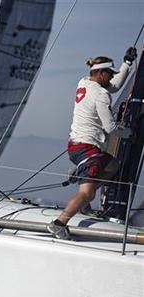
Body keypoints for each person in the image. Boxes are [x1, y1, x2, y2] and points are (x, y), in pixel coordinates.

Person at [47, 47, 137, 240]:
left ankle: (83, 180)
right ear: (102, 73)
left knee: (113, 166)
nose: (112, 77)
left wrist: (127, 63)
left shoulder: (84, 82)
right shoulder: (101, 95)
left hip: (77, 145)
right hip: (88, 148)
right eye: (110, 73)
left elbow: (114, 85)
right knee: (88, 193)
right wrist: (128, 132)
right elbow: (111, 128)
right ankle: (59, 223)